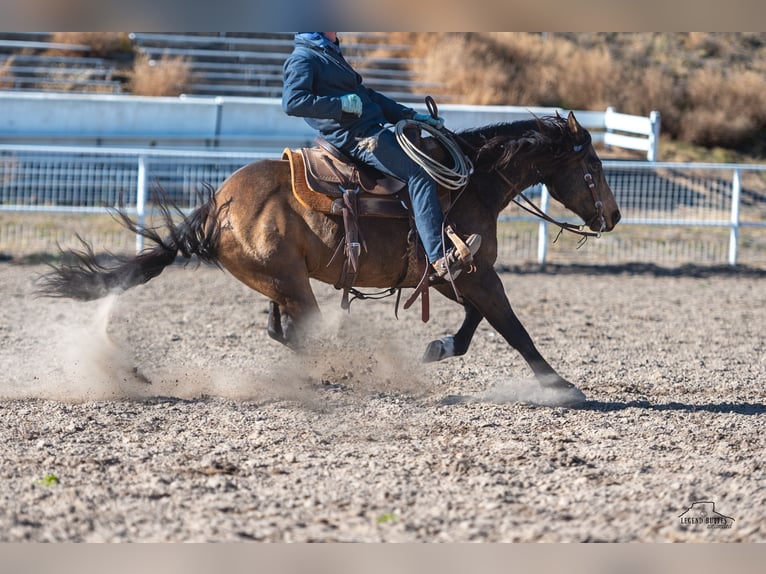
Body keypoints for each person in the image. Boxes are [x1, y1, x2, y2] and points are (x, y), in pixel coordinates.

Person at [282, 32, 480, 280]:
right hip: (356, 135)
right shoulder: (305, 57)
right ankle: (439, 258)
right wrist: (339, 105)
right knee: (418, 174)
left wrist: (410, 115)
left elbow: (369, 96)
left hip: (370, 128)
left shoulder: (328, 53)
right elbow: (293, 101)